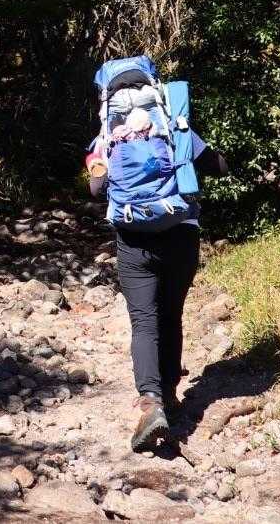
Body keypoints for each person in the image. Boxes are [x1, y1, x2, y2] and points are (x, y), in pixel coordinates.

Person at [86, 95, 228, 451]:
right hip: (181, 233)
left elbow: (96, 188)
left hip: (133, 239)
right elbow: (219, 167)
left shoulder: (105, 137)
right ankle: (170, 394)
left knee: (144, 322)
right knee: (171, 315)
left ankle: (151, 403)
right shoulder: (176, 128)